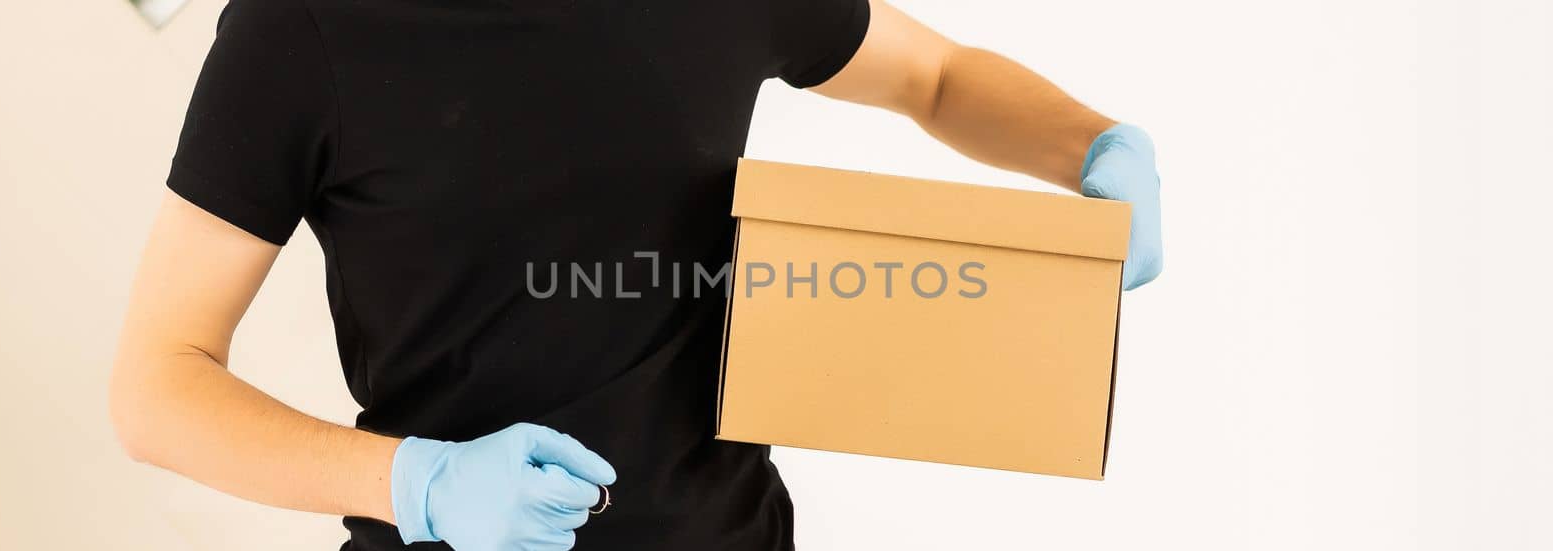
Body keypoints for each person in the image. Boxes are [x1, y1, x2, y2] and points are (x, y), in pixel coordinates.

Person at [108, 0, 1163, 549]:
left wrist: (1093, 145)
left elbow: (933, 74)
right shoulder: (303, 30)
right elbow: (158, 382)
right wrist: (412, 483)